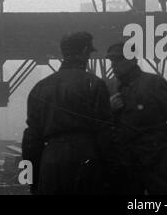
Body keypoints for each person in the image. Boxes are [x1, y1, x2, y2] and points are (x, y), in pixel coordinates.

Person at [22, 32, 111, 195]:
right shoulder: (94, 84)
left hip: (51, 161)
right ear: (85, 51)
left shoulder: (40, 87)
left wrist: (32, 180)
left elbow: (31, 139)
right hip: (86, 160)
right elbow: (105, 133)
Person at [102, 41, 167, 195]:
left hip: (156, 161)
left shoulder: (154, 83)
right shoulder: (109, 88)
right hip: (126, 164)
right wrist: (109, 110)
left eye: (119, 60)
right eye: (112, 61)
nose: (114, 65)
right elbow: (101, 125)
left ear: (132, 60)